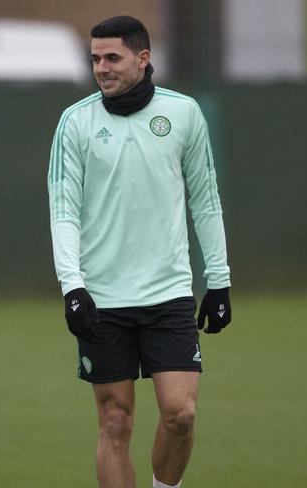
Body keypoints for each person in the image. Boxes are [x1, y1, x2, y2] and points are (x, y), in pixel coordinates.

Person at [48, 16, 231, 488]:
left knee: (181, 414)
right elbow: (63, 211)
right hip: (102, 298)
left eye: (112, 58)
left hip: (168, 292)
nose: (101, 68)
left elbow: (205, 200)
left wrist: (219, 279)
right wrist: (72, 286)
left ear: (143, 58)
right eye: (94, 59)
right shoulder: (76, 121)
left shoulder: (185, 113)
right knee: (115, 422)